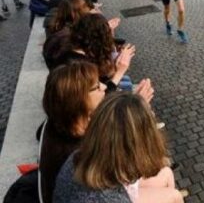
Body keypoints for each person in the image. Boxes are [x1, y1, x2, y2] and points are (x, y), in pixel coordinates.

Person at [53, 92, 184, 203]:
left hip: (104, 183)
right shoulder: (110, 199)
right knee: (174, 195)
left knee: (166, 172)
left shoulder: (81, 155)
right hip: (109, 190)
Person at [39, 61, 107, 203]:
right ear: (78, 99)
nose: (104, 87)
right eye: (97, 86)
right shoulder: (75, 154)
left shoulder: (57, 124)